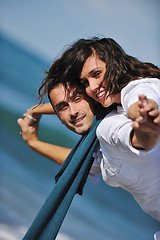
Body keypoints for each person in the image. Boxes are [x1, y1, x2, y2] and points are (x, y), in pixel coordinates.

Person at [35, 37, 160, 225]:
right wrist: (34, 132)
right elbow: (83, 164)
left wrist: (144, 120)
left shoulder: (118, 115)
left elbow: (141, 132)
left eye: (97, 74)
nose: (92, 87)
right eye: (85, 82)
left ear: (114, 63)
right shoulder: (103, 126)